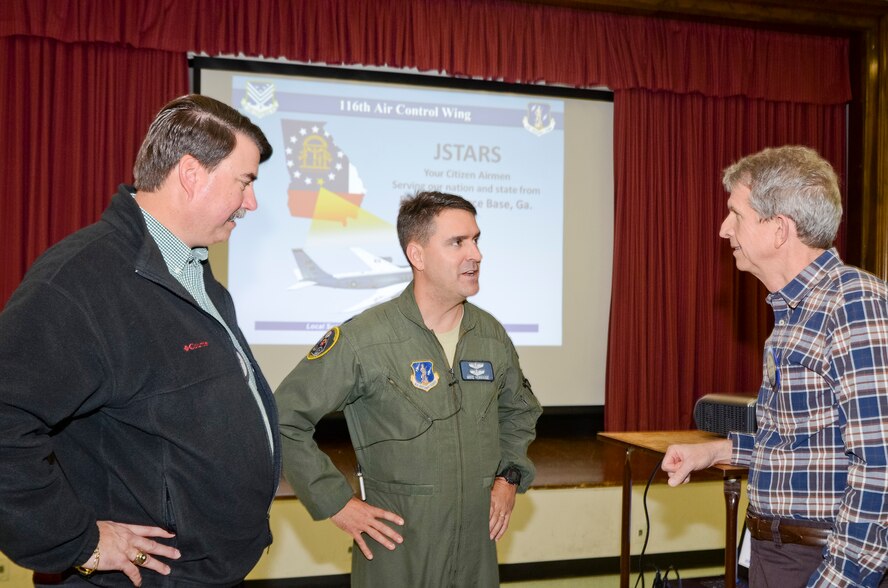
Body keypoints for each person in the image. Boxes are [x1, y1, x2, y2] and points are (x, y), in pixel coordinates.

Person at [0, 94, 281, 586]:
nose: (251, 202)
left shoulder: (191, 270)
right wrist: (76, 541)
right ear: (192, 174)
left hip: (204, 572)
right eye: (245, 182)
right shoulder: (81, 280)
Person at [275, 191, 542, 587]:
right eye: (458, 242)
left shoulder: (490, 336)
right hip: (398, 551)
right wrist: (336, 502)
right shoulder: (364, 339)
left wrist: (508, 477)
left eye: (476, 239)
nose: (476, 254)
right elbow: (282, 419)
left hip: (475, 553)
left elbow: (520, 412)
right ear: (417, 256)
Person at [661, 146, 888, 586]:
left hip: (821, 560)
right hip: (778, 554)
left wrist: (839, 580)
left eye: (736, 215)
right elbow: (802, 446)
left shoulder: (852, 303)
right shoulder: (794, 313)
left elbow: (880, 466)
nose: (724, 229)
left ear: (779, 229)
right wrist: (715, 452)